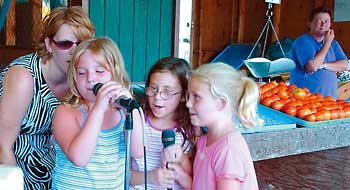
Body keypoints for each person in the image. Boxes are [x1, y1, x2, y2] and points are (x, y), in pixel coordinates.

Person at [0, 6, 95, 190]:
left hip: (57, 170)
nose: (74, 51)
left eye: (81, 44)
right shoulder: (24, 77)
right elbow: (3, 145)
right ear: (49, 44)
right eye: (65, 43)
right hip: (16, 170)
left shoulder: (82, 76)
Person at [51, 37, 145, 189]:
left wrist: (129, 109)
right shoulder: (66, 112)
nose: (90, 78)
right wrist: (99, 108)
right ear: (74, 77)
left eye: (99, 71)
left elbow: (138, 151)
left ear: (115, 73)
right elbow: (79, 158)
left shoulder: (121, 112)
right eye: (82, 73)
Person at [186, 63, 259, 190]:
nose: (188, 103)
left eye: (196, 97)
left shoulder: (228, 150)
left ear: (221, 103)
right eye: (188, 96)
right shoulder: (205, 141)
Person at [130, 57, 195, 190]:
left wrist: (181, 161)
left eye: (167, 91)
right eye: (153, 89)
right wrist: (151, 177)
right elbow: (124, 174)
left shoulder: (189, 130)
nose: (157, 97)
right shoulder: (138, 124)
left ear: (183, 95)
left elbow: (196, 181)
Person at [289, 6, 348, 99]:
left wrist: (324, 65)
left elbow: (344, 65)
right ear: (309, 23)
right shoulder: (303, 41)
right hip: (305, 99)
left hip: (329, 99)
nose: (323, 24)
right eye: (319, 21)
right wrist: (327, 42)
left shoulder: (334, 43)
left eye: (327, 21)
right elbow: (312, 66)